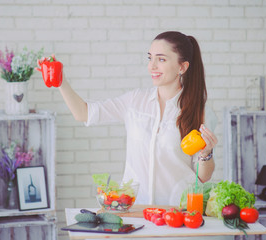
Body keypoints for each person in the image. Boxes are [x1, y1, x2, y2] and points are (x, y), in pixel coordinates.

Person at [44, 31, 218, 206]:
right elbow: (84, 113)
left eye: (161, 59)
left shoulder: (201, 113)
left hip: (177, 213)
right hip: (135, 212)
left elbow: (203, 176)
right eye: (150, 58)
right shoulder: (135, 102)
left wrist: (206, 153)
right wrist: (61, 82)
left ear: (182, 67)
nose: (152, 66)